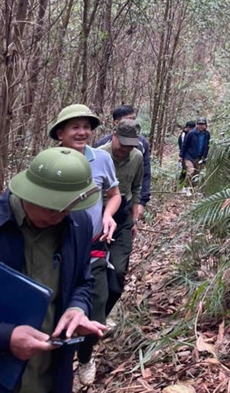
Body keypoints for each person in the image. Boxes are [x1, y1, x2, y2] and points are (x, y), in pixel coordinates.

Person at [0, 146, 106, 393]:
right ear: (30, 193)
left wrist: (76, 307)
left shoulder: (78, 224)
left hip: (51, 376)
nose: (59, 216)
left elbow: (83, 281)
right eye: (52, 208)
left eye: (67, 208)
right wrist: (4, 337)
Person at [48, 104, 120, 388]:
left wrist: (107, 215)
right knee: (58, 308)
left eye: (86, 127)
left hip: (94, 247)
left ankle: (86, 358)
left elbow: (114, 194)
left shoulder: (101, 159)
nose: (82, 132)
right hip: (56, 248)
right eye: (75, 127)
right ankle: (56, 367)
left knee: (96, 308)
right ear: (60, 133)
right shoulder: (49, 161)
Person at [97, 120, 143, 316]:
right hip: (97, 215)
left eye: (130, 145)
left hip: (123, 217)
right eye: (122, 143)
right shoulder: (98, 155)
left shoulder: (137, 157)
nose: (125, 149)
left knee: (117, 276)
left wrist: (134, 220)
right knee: (94, 272)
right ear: (113, 135)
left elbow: (136, 188)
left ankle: (101, 317)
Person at [95, 104, 151, 221]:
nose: (132, 123)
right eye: (128, 120)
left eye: (133, 119)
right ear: (116, 124)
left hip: (125, 205)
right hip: (100, 205)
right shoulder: (100, 148)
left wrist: (141, 202)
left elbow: (143, 177)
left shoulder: (140, 146)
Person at [180, 117, 211, 182]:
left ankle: (193, 190)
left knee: (198, 175)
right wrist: (181, 156)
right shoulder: (191, 133)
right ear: (197, 125)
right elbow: (184, 145)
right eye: (199, 124)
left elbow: (207, 145)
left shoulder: (207, 134)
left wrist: (205, 157)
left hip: (200, 157)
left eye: (202, 124)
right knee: (191, 171)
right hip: (189, 156)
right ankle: (187, 188)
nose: (201, 126)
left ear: (205, 125)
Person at [177, 121, 196, 185]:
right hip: (184, 155)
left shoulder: (191, 134)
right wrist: (181, 156)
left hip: (190, 155)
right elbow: (183, 146)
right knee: (184, 170)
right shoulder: (183, 135)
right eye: (191, 128)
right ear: (187, 127)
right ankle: (181, 184)